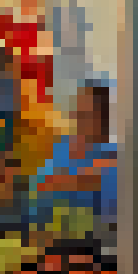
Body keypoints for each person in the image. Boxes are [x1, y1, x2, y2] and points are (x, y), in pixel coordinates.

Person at [33, 82, 119, 244]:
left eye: (86, 113)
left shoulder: (112, 153)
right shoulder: (62, 147)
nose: (78, 118)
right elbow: (39, 186)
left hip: (92, 241)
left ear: (103, 117)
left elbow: (112, 211)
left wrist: (69, 180)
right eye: (77, 112)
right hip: (47, 236)